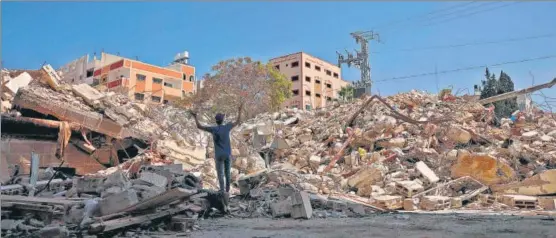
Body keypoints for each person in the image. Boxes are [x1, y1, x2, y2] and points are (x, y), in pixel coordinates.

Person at [190, 103, 243, 194]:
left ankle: (222, 190)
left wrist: (195, 117)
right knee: (227, 173)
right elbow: (237, 122)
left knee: (220, 174)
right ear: (223, 120)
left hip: (219, 155)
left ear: (216, 121)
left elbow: (199, 126)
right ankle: (227, 190)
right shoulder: (227, 127)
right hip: (227, 154)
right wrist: (239, 110)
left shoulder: (213, 129)